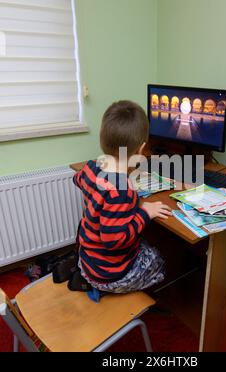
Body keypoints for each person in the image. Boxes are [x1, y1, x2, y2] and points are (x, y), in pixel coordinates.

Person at [71, 100, 172, 299]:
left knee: (144, 243)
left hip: (88, 260)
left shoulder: (91, 167)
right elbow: (114, 241)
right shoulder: (121, 190)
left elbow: (78, 179)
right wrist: (145, 212)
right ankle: (136, 296)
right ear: (141, 149)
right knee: (159, 259)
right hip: (109, 275)